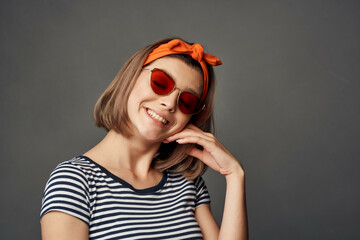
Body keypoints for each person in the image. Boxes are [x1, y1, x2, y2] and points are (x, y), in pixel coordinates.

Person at [40, 38, 248, 240]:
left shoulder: (187, 184)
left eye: (187, 101)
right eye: (160, 82)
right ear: (130, 78)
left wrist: (234, 174)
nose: (169, 104)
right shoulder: (74, 181)